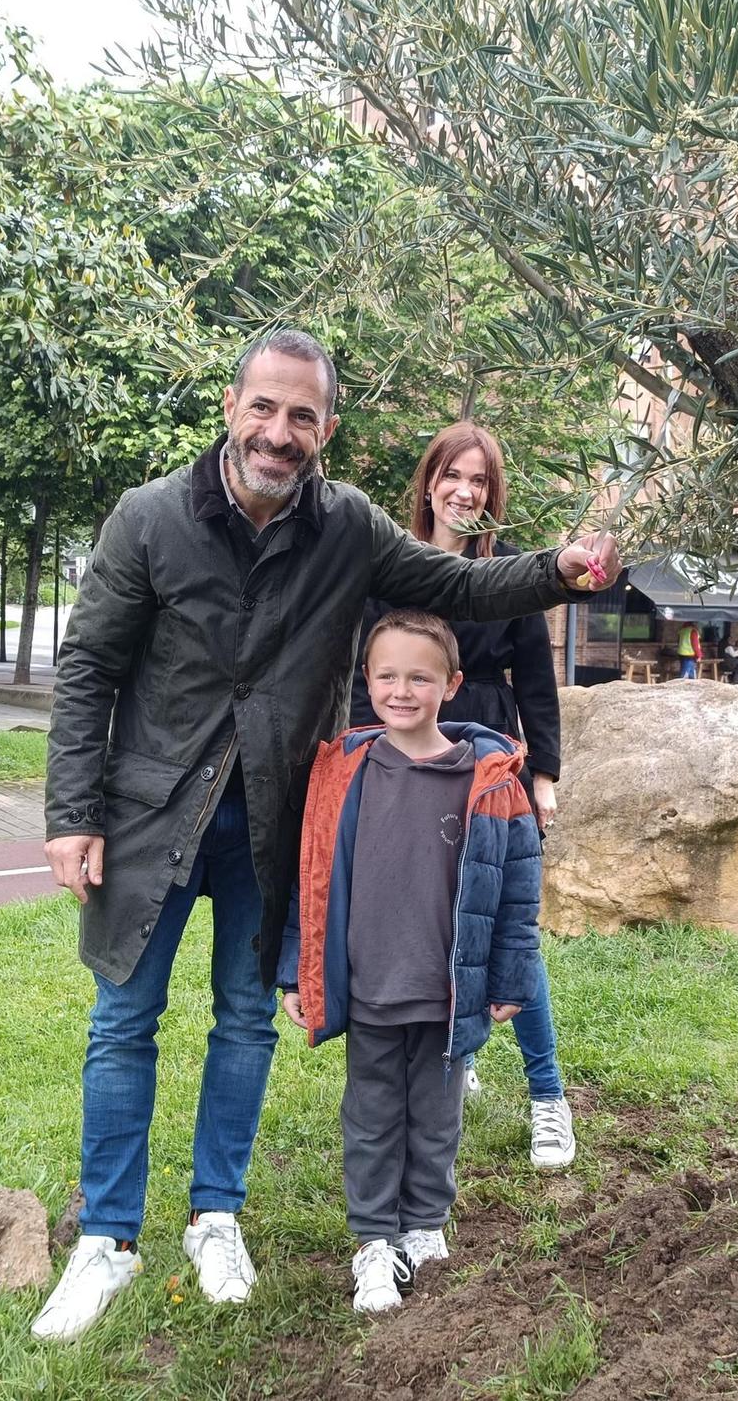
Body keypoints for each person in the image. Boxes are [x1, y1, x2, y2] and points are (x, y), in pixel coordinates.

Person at [34, 328, 619, 1343]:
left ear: (326, 430)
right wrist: (71, 812)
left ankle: (215, 1216)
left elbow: (460, 588)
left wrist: (557, 573)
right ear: (230, 407)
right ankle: (107, 1240)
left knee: (245, 1020)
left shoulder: (345, 526)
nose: (279, 431)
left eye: (301, 416)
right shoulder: (149, 520)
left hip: (275, 813)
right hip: (148, 814)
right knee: (123, 1022)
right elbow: (88, 669)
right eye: (263, 408)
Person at [279, 609, 543, 1314]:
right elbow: (309, 878)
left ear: (451, 685)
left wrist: (510, 979)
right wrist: (295, 971)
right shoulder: (344, 774)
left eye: (419, 677)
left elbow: (517, 895)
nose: (402, 690)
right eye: (387, 675)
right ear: (366, 682)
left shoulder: (490, 781)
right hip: (369, 986)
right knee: (370, 1115)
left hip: (447, 990)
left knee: (437, 1115)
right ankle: (373, 1240)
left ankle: (425, 1225)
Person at [348, 422, 575, 1172]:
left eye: (480, 480)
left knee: (507, 922)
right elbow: (366, 675)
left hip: (484, 759)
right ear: (429, 481)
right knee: (430, 914)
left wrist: (541, 774)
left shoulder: (510, 574)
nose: (466, 490)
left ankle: (548, 1096)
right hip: (401, 764)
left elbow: (535, 680)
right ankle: (458, 1054)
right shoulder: (388, 568)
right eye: (454, 475)